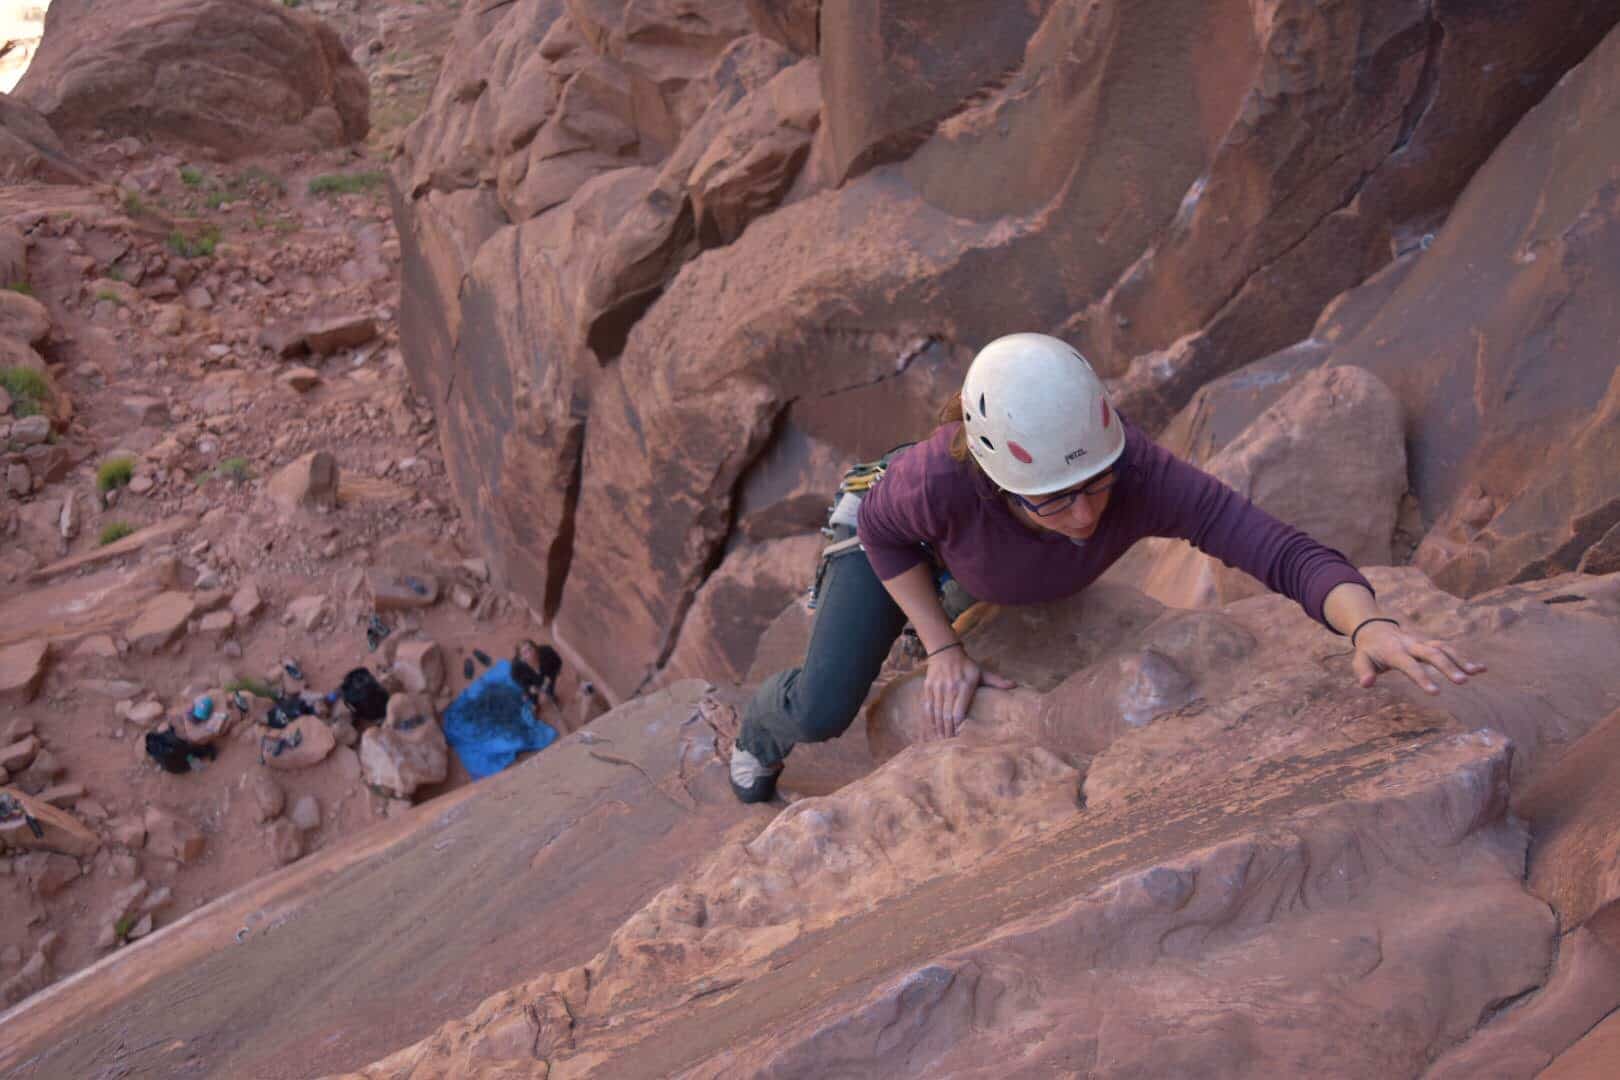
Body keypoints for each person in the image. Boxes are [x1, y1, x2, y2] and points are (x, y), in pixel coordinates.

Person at [729, 333, 1485, 803]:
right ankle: (757, 733)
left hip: (975, 559)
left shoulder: (1139, 473)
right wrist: (942, 647)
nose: (1086, 518)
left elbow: (1279, 549)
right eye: (1053, 503)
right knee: (826, 705)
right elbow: (888, 534)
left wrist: (1370, 622)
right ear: (999, 481)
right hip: (897, 546)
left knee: (1003, 582)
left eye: (1095, 488)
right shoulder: (936, 482)